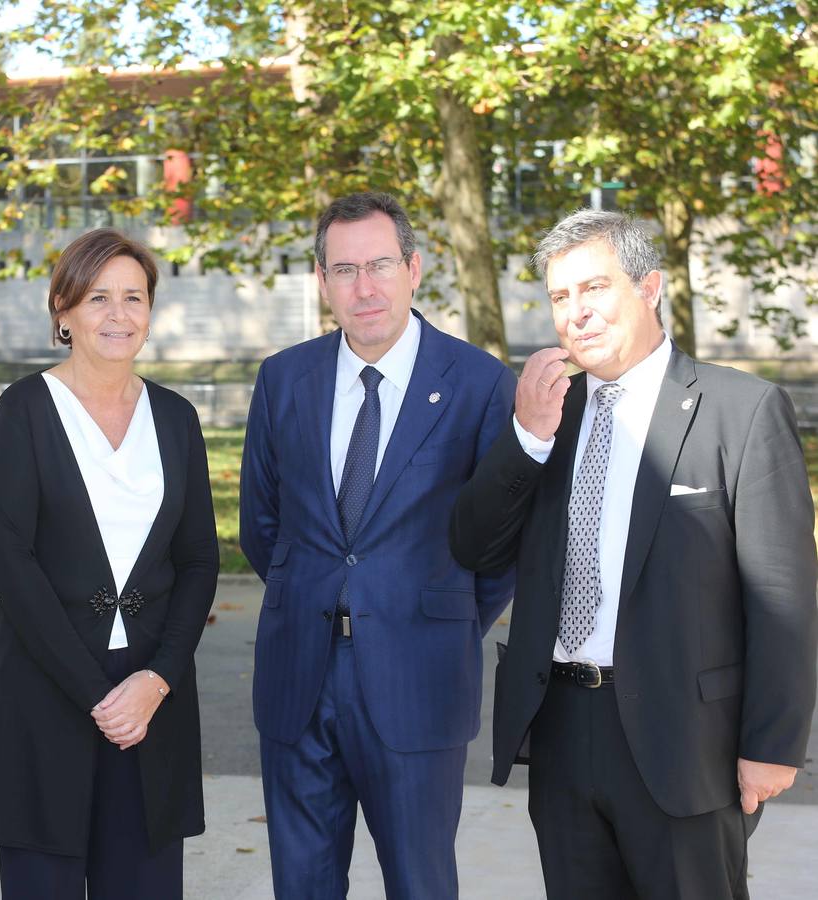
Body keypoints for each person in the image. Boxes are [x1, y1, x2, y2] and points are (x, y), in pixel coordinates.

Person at [450, 209, 818, 899]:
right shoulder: (547, 414)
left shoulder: (742, 411)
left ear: (649, 287)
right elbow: (474, 545)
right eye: (560, 296)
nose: (576, 313)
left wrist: (771, 745)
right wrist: (526, 437)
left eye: (595, 289)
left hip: (688, 743)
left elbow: (785, 599)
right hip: (561, 731)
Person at [239, 191, 517, 899]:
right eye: (343, 269)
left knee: (420, 884)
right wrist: (310, 601)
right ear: (322, 281)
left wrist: (433, 617)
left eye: (380, 265)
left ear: (414, 268)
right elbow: (260, 523)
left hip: (418, 682)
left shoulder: (479, 384)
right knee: (301, 883)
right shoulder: (284, 379)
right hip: (297, 680)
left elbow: (499, 543)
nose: (363, 287)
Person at [0, 228, 219, 899]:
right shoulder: (24, 408)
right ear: (64, 310)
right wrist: (96, 694)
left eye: (134, 298)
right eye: (99, 298)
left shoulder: (176, 418)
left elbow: (199, 561)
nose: (119, 315)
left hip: (150, 701)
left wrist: (158, 679)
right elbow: (8, 557)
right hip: (47, 693)